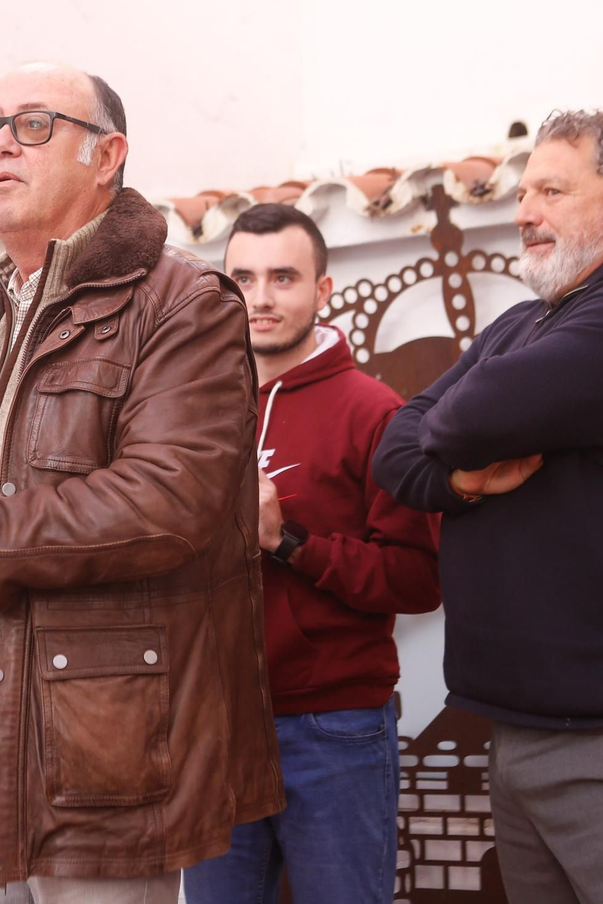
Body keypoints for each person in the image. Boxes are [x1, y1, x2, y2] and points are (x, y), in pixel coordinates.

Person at [0, 63, 284, 903]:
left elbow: (161, 506)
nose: (0, 143)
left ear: (108, 156)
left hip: (92, 754)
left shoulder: (182, 302)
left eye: (33, 125)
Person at [372, 111, 603, 904]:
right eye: (521, 192)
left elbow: (461, 418)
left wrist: (455, 417)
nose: (522, 212)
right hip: (522, 733)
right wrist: (466, 482)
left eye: (551, 189)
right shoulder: (522, 322)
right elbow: (396, 451)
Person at [185, 204, 439, 904]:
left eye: (284, 277)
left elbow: (417, 579)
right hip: (216, 723)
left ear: (322, 290)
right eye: (243, 277)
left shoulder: (375, 411)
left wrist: (284, 541)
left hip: (334, 727)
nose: (261, 298)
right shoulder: (192, 409)